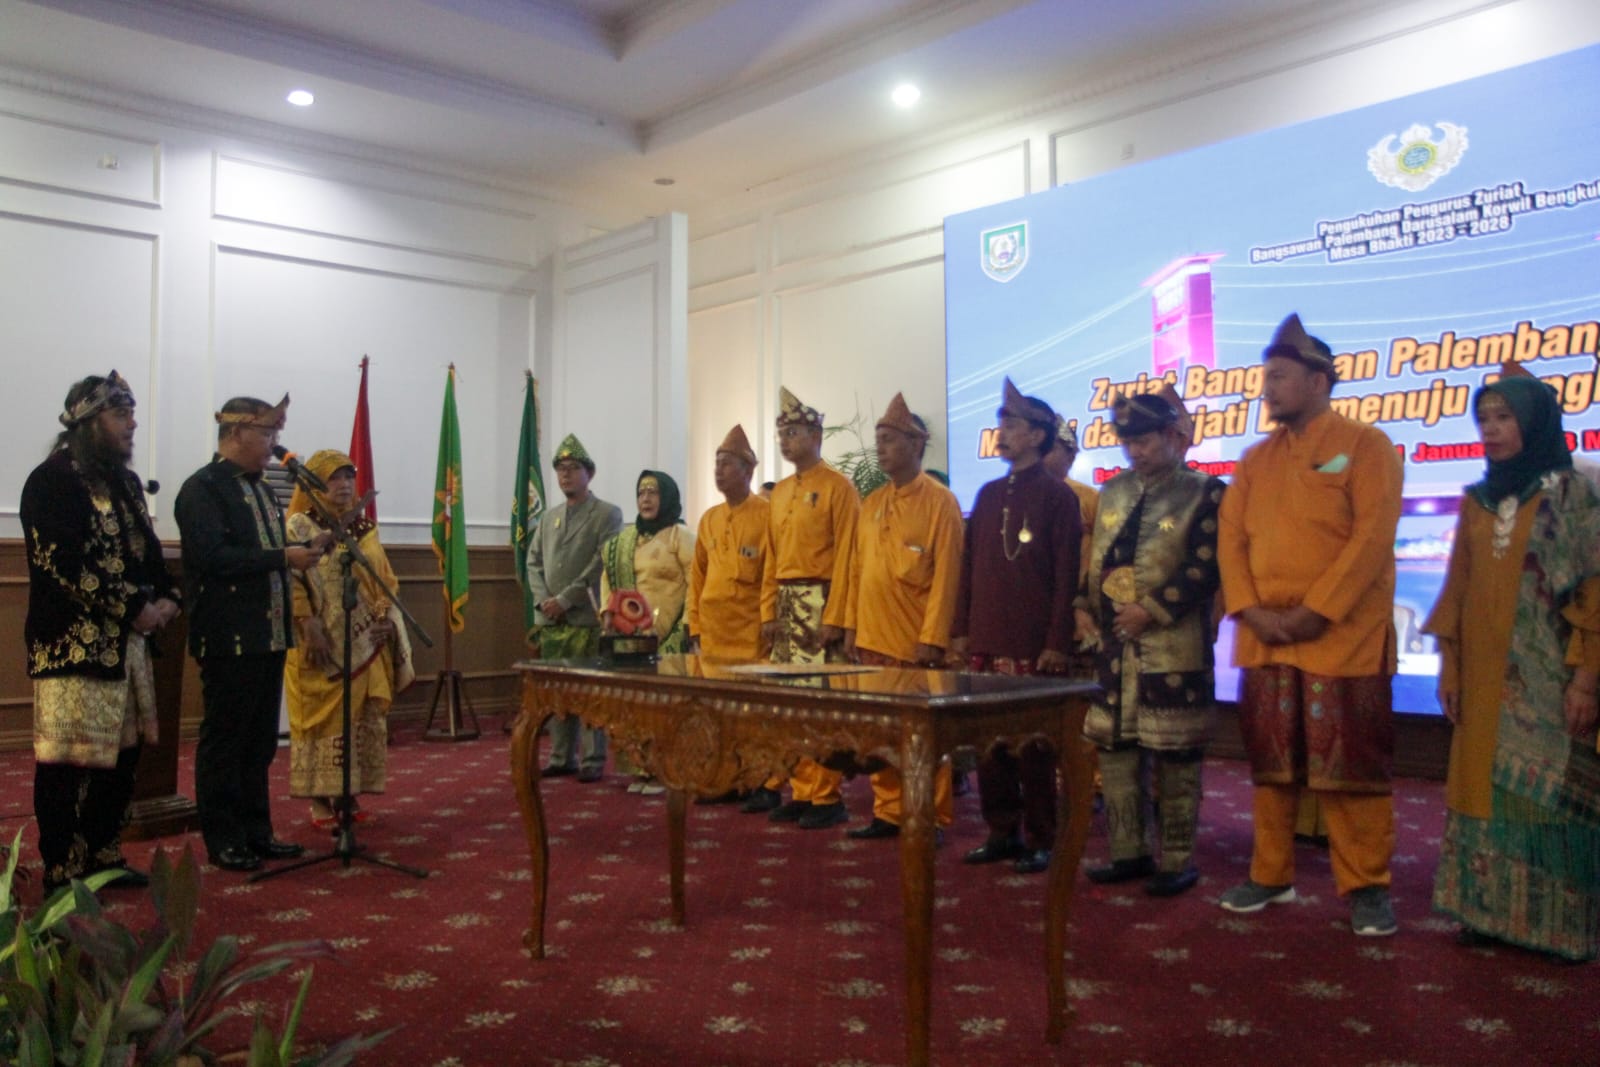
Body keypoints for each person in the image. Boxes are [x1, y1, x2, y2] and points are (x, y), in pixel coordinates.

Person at [1217, 314, 1403, 936]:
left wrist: (1313, 613)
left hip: (1341, 638)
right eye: (1264, 377)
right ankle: (1270, 875)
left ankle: (1367, 885)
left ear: (1319, 379)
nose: (1266, 388)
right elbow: (1230, 542)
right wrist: (1251, 610)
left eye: (1279, 377)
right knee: (1272, 766)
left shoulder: (1366, 445)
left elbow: (1372, 540)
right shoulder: (1252, 459)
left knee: (1349, 767)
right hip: (1266, 638)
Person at [1423, 370, 1600, 962]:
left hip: (1549, 683)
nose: (1491, 431)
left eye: (1504, 419)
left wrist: (1586, 680)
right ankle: (1487, 912)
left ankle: (1553, 925)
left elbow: (1593, 596)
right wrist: (1450, 668)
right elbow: (1457, 589)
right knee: (1479, 793)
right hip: (1482, 677)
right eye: (1484, 420)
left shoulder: (1573, 497)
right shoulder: (1479, 499)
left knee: (1544, 797)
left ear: (1537, 423)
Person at [22, 372, 181, 892]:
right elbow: (61, 565)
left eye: (132, 414)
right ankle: (64, 871)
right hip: (71, 648)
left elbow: (150, 556)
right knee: (69, 762)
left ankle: (103, 855)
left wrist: (167, 600)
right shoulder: (51, 481)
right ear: (87, 422)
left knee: (122, 758)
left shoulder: (125, 484)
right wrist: (132, 607)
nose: (133, 424)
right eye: (121, 415)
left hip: (128, 647)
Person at [1076, 390, 1224, 896]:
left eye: (1144, 440)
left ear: (1173, 437)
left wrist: (1151, 611)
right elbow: (1096, 558)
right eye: (1128, 443)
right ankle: (1128, 853)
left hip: (1173, 644)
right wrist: (1081, 605)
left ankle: (1177, 859)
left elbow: (1204, 567)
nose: (1135, 452)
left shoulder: (1204, 491)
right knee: (1116, 750)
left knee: (1176, 755)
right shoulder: (1112, 492)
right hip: (1116, 646)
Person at [176, 395, 327, 873]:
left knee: (260, 740)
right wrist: (285, 557)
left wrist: (301, 549)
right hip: (228, 635)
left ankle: (257, 832)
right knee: (226, 738)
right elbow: (214, 558)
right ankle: (223, 839)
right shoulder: (202, 489)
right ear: (236, 432)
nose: (273, 445)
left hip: (268, 632)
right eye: (266, 434)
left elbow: (266, 551)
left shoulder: (262, 490)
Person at [953, 378, 1082, 874]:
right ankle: (1001, 831)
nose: (1001, 432)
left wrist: (1057, 642)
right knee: (991, 747)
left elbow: (1067, 577)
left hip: (1034, 646)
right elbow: (968, 571)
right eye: (1001, 422)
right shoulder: (986, 495)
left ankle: (1043, 837)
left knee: (1034, 748)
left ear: (1038, 434)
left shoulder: (1058, 498)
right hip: (986, 640)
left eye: (1011, 424)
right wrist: (961, 632)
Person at [841, 398, 963, 841]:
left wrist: (934, 638)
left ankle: (929, 815)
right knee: (881, 733)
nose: (880, 449)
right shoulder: (871, 503)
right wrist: (852, 627)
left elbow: (948, 576)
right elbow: (856, 570)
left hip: (916, 642)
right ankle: (890, 810)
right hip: (873, 637)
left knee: (924, 735)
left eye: (888, 440)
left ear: (916, 444)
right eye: (878, 441)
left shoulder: (939, 502)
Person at [744, 387, 860, 828]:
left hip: (822, 601)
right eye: (781, 434)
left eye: (793, 432)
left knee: (821, 702)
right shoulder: (782, 491)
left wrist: (838, 617)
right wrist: (769, 612)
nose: (785, 441)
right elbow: (771, 556)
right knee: (790, 703)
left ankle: (827, 796)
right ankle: (802, 788)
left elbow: (850, 555)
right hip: (788, 602)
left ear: (816, 433)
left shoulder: (839, 487)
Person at [283, 450, 413, 828]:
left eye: (347, 478)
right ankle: (320, 801)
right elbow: (293, 583)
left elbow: (386, 581)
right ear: (315, 486)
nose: (342, 486)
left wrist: (388, 621)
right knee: (321, 723)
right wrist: (310, 625)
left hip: (365, 643)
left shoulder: (364, 530)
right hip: (320, 643)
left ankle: (348, 791)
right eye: (333, 478)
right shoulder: (299, 528)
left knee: (361, 719)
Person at [526, 434, 623, 782]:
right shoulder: (549, 518)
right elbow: (533, 562)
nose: (566, 475)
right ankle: (560, 756)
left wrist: (565, 599)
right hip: (552, 621)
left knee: (589, 692)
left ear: (589, 473)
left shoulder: (608, 514)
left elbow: (601, 562)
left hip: (585, 618)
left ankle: (592, 761)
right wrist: (543, 601)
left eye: (573, 468)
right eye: (561, 469)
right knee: (558, 692)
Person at [601, 469, 695, 794]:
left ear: (666, 496)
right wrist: (608, 614)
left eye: (653, 492)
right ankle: (642, 768)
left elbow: (697, 579)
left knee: (665, 709)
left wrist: (688, 625)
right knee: (636, 706)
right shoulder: (625, 542)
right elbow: (608, 579)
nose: (646, 499)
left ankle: (667, 771)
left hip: (669, 638)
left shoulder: (679, 536)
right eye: (641, 492)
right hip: (631, 640)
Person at [687, 424, 769, 662]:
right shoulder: (709, 519)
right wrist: (694, 625)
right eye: (717, 464)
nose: (718, 471)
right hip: (711, 636)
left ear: (747, 472)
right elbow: (697, 578)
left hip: (752, 637)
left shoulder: (767, 515)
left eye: (726, 464)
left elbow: (772, 577)